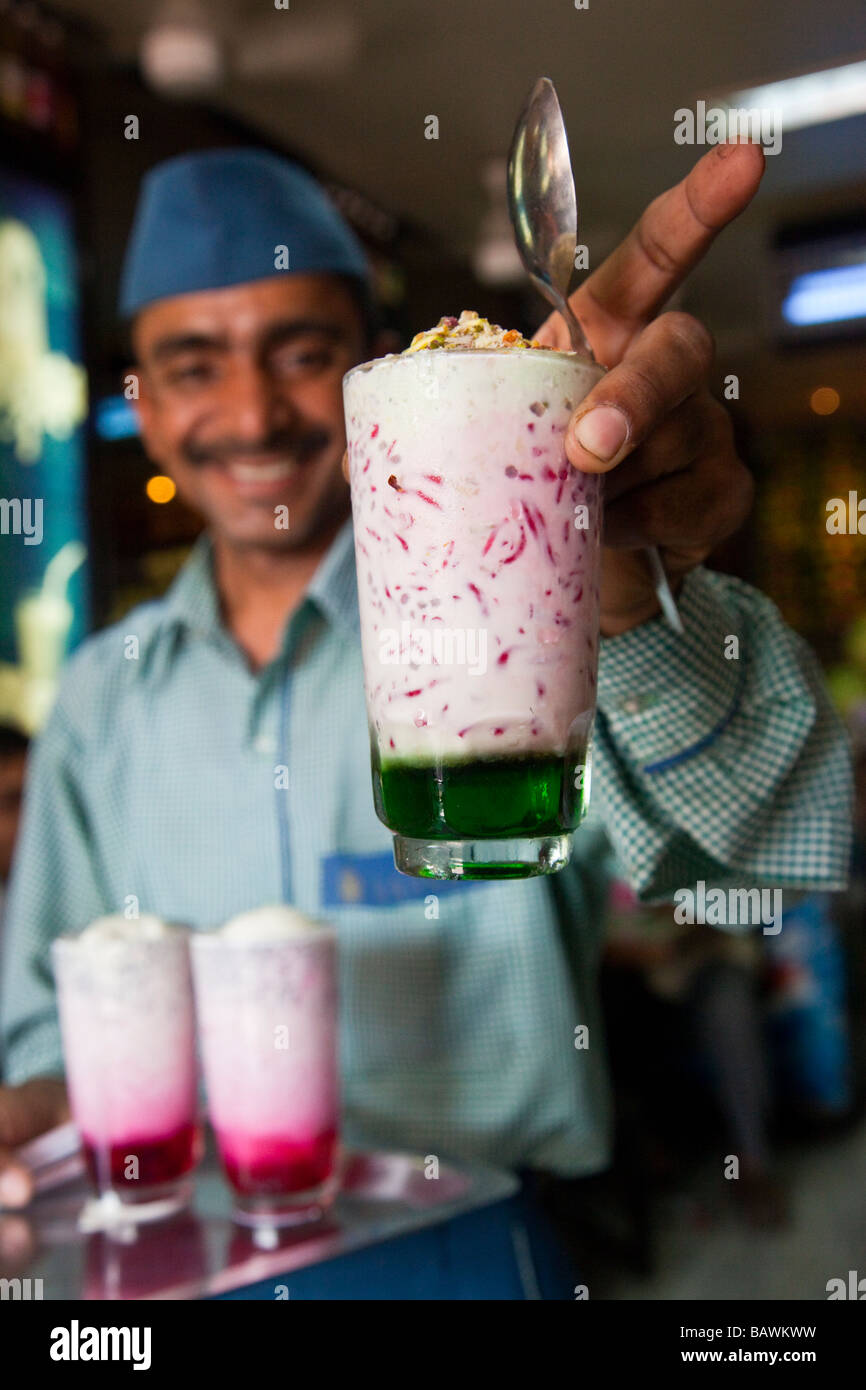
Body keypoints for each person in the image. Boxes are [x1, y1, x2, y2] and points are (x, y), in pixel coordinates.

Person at [0, 145, 852, 1298]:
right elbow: (48, 1024)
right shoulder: (102, 695)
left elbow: (754, 863)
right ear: (143, 407)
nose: (251, 412)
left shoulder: (523, 606)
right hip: (188, 1254)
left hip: (477, 1244)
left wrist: (627, 592)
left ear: (370, 376)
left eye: (300, 354)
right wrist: (29, 1119)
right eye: (193, 366)